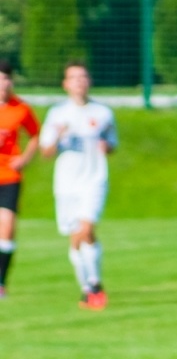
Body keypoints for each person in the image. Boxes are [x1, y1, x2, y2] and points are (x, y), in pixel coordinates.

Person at [40, 61, 116, 309]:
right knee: (75, 238)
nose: (79, 82)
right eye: (74, 78)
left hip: (94, 180)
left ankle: (94, 284)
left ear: (89, 81)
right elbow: (46, 151)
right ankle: (88, 288)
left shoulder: (103, 113)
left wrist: (107, 147)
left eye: (83, 77)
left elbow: (112, 143)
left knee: (87, 228)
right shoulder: (57, 114)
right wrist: (59, 135)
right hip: (66, 184)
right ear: (65, 84)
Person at [0, 59, 40, 299]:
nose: (2, 84)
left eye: (6, 78)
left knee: (7, 226)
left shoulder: (20, 108)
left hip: (9, 176)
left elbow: (35, 134)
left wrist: (25, 158)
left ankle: (1, 281)